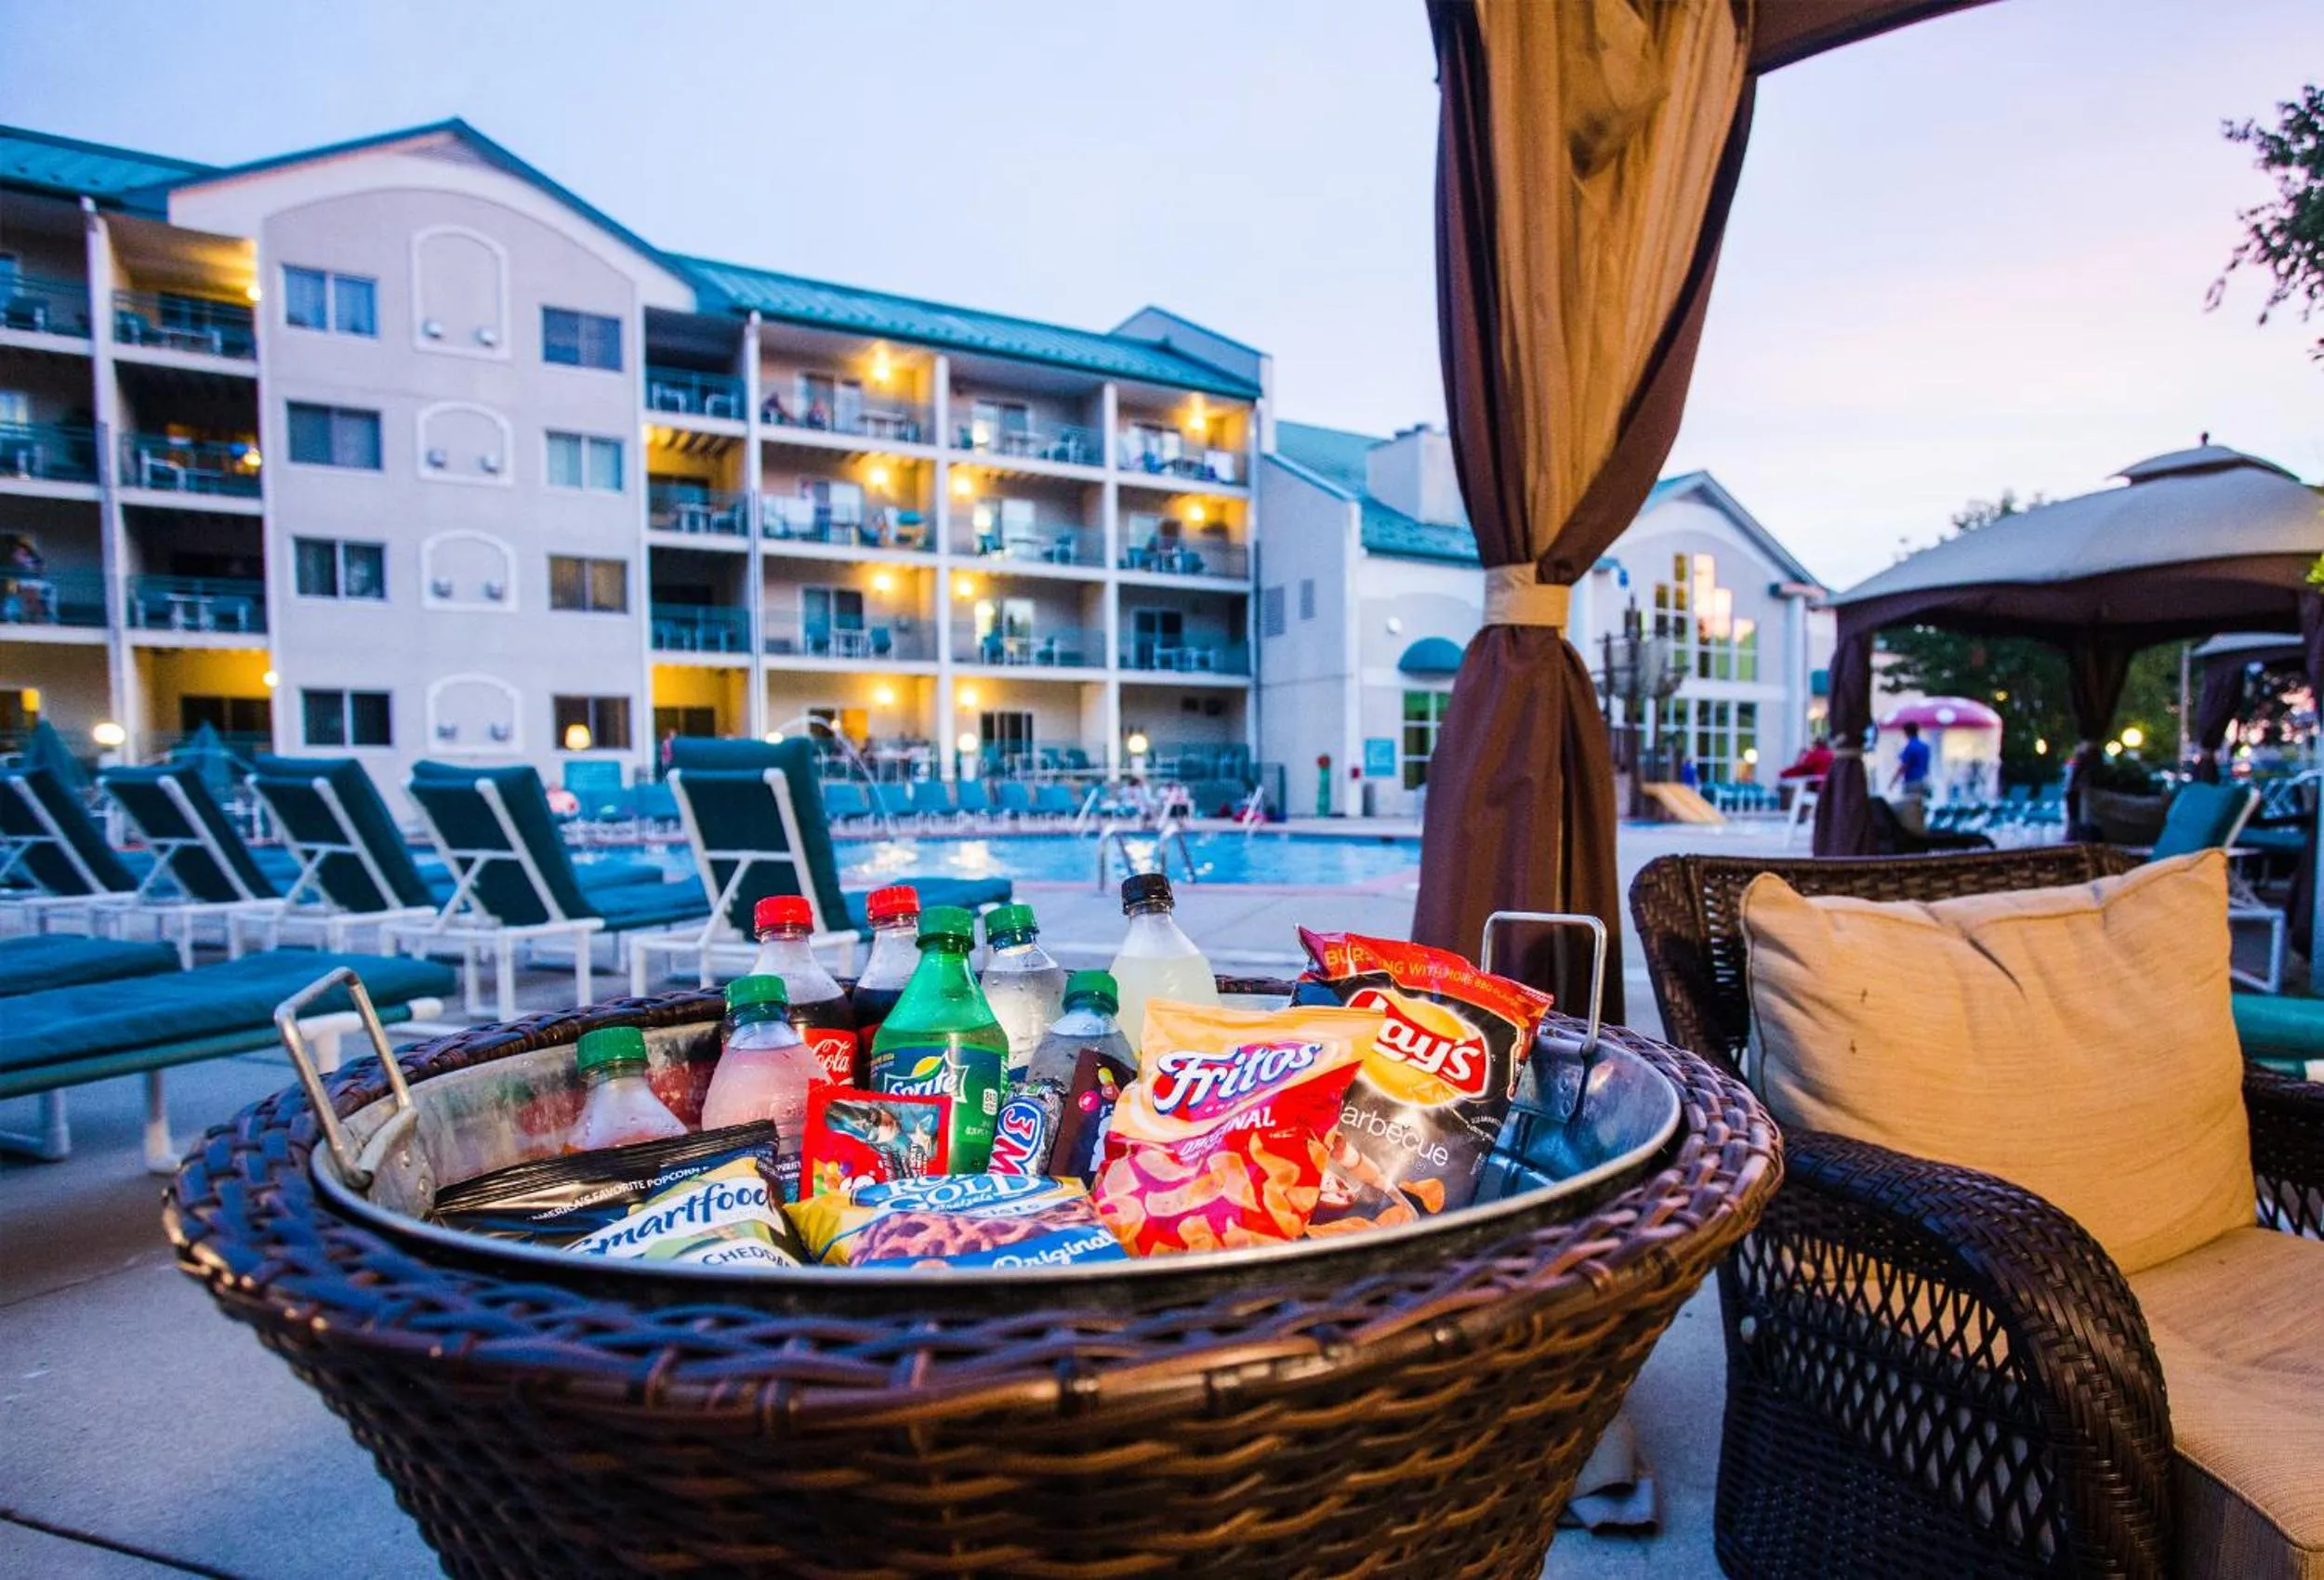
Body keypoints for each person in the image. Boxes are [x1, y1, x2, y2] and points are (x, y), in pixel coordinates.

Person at [1890, 720, 1933, 829]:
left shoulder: (1910, 747)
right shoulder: (1925, 747)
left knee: (1911, 809)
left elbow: (1904, 766)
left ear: (1906, 732)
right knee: (1921, 807)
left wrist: (1893, 782)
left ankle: (1915, 829)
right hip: (1923, 780)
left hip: (1912, 781)